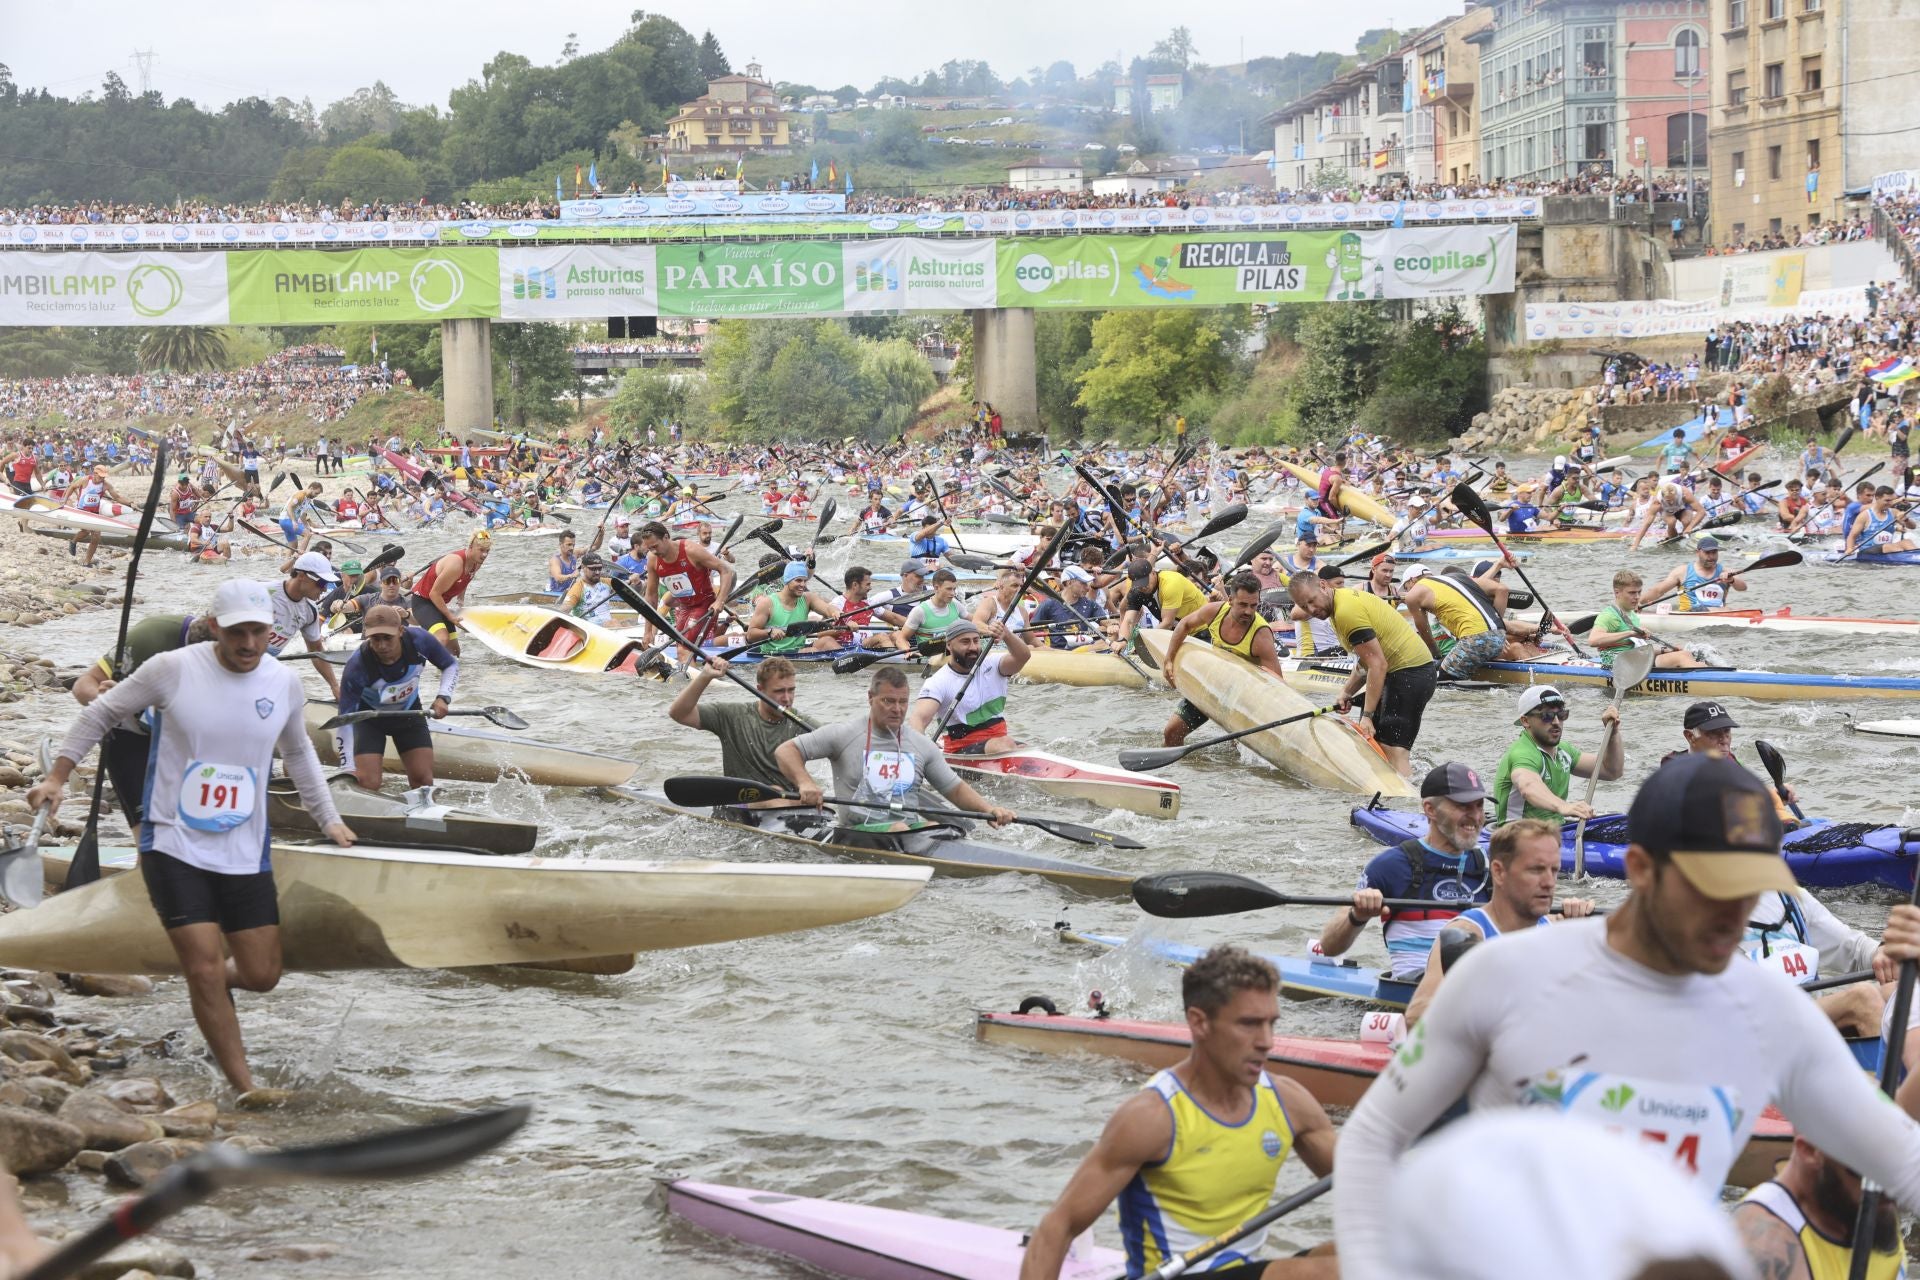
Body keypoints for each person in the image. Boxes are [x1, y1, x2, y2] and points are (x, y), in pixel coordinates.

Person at [1331, 754, 1920, 1280]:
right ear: (1640, 869)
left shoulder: (1773, 1015)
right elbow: (1373, 1137)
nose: (1732, 917)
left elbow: (1904, 1161)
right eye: (1711, 890)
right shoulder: (1504, 975)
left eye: (1750, 891)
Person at [26, 581, 354, 1096]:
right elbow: (99, 713)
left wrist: (328, 819)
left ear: (273, 631)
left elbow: (298, 755)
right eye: (237, 632)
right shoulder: (172, 668)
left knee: (262, 973)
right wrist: (57, 777)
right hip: (173, 839)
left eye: (259, 632)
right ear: (216, 628)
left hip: (245, 847)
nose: (249, 644)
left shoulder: (283, 683)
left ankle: (206, 990)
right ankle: (244, 1086)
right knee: (203, 966)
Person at [1017, 946, 1337, 1280]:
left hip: (1240, 1269)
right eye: (1249, 1024)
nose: (1267, 1042)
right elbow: (1058, 1227)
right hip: (1171, 1275)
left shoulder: (1289, 1102)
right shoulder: (1152, 1118)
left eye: (1271, 1023)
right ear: (1199, 1022)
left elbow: (1369, 1191)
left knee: (1376, 1248)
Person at [1404, 819, 1596, 1026]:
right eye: (1536, 870)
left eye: (1554, 870)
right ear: (1498, 871)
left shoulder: (1557, 928)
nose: (1549, 882)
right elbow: (1416, 1016)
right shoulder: (1465, 933)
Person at [773, 666, 1014, 831]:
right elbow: (786, 751)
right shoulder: (844, 734)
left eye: (902, 702)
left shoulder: (921, 745)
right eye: (888, 701)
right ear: (871, 698)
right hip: (857, 831)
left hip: (907, 830)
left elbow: (955, 790)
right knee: (902, 828)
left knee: (940, 828)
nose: (897, 709)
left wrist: (990, 809)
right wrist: (805, 782)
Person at [1320, 762, 1494, 979]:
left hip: (1481, 986)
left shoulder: (1494, 867)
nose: (1476, 816)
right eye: (1463, 806)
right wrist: (1358, 915)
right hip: (1414, 988)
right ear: (1430, 809)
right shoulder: (1390, 866)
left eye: (1479, 806)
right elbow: (1329, 947)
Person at [1286, 573, 1436, 776]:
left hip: (1410, 674)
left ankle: (1405, 801)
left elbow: (1377, 665)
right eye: (1304, 607)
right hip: (1401, 674)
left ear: (1323, 585)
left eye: (1312, 601)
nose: (1312, 610)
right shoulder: (1339, 605)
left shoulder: (1346, 611)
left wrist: (1366, 716)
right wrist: (1346, 692)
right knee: (1375, 744)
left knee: (1394, 751)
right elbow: (1365, 663)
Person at [1734, 1136, 1907, 1280]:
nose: (1891, 1187)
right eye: (1867, 1170)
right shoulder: (1765, 1245)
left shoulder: (1873, 1203)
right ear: (1810, 1150)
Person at [336, 605, 458, 789]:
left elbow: (450, 665)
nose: (382, 645)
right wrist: (347, 767)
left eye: (387, 638)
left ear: (401, 631)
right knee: (369, 784)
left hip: (409, 715)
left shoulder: (420, 640)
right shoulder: (357, 665)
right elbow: (344, 719)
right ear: (366, 634)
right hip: (369, 720)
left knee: (423, 781)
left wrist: (443, 697)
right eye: (375, 639)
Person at [1158, 573, 1281, 747]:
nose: (1249, 611)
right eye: (1243, 605)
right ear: (1230, 600)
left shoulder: (1261, 636)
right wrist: (1169, 659)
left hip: (1242, 698)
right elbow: (1184, 625)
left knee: (1236, 752)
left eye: (1254, 605)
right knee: (1171, 733)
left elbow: (1276, 681)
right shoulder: (1214, 611)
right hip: (1212, 685)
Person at [667, 655, 806, 798]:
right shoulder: (732, 715)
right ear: (760, 690)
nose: (787, 698)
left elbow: (830, 738)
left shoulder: (801, 722)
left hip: (790, 802)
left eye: (791, 690)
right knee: (775, 793)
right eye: (779, 691)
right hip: (743, 802)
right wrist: (705, 676)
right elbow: (679, 714)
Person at [1491, 685, 1623, 823]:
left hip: (1557, 831)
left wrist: (1613, 734)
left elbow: (1611, 771)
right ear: (1525, 721)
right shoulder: (1522, 753)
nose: (1556, 722)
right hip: (1518, 835)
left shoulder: (1563, 751)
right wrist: (1565, 807)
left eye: (1561, 715)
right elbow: (1528, 786)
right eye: (1547, 716)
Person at [908, 618, 1030, 754]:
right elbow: (918, 719)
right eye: (965, 642)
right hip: (960, 749)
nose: (973, 647)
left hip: (998, 743)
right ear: (949, 645)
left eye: (976, 641)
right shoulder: (938, 681)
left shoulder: (994, 665)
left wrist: (1006, 634)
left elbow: (1023, 656)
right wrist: (923, 744)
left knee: (1026, 748)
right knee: (1006, 743)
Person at [638, 519, 735, 653]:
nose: (653, 551)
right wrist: (648, 631)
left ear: (666, 537)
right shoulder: (653, 559)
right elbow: (651, 596)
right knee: (681, 649)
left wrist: (720, 601)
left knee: (684, 650)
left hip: (705, 605)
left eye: (655, 546)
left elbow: (726, 570)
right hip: (684, 607)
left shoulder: (691, 550)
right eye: (649, 548)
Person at [1399, 567, 1509, 680]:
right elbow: (1502, 589)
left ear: (1412, 581)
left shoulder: (1412, 596)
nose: (1408, 592)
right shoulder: (1458, 578)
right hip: (1500, 637)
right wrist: (1493, 629)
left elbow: (1426, 634)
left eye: (1407, 588)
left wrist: (1437, 658)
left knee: (1439, 683)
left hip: (1474, 639)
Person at [1587, 570, 1709, 670]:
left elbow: (1636, 649)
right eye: (1632, 593)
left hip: (1634, 661)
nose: (1637, 597)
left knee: (1686, 653)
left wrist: (1666, 650)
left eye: (1639, 592)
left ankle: (1711, 673)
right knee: (1681, 657)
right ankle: (1710, 680)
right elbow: (1593, 640)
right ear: (1617, 592)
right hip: (1618, 666)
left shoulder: (1632, 614)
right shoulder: (1608, 615)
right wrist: (1630, 632)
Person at [267, 552, 344, 699]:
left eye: (327, 584)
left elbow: (316, 652)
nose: (324, 589)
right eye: (321, 583)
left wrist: (335, 686)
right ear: (301, 575)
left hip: (262, 669)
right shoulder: (264, 591)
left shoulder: (310, 612)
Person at [408, 530, 491, 657]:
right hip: (424, 602)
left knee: (454, 652)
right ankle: (414, 661)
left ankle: (444, 672)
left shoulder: (476, 562)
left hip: (439, 605)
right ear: (470, 547)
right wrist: (450, 616)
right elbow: (434, 594)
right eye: (481, 550)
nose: (484, 554)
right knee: (442, 639)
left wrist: (460, 601)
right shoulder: (455, 564)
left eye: (487, 551)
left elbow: (465, 580)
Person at [746, 563, 840, 655]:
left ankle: (846, 662)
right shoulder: (767, 603)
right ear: (787, 581)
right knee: (813, 651)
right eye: (798, 580)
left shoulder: (808, 598)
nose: (803, 585)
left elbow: (827, 608)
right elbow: (750, 635)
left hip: (799, 648)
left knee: (827, 640)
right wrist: (770, 632)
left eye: (805, 581)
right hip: (775, 652)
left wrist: (834, 612)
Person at [1638, 536, 1746, 612]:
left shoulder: (1726, 572)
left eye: (1714, 552)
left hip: (1719, 614)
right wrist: (1638, 604)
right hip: (1691, 613)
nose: (1711, 556)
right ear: (1698, 552)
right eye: (1707, 553)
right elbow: (1658, 591)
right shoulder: (1682, 572)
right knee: (1721, 609)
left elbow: (1743, 588)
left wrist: (1732, 580)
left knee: (1735, 609)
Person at [1115, 558, 1208, 635]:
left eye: (1145, 580)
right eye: (1139, 583)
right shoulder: (1136, 589)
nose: (1143, 586)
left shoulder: (1171, 584)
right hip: (1179, 629)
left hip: (1201, 628)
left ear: (1153, 572)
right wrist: (1122, 640)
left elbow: (1167, 624)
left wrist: (1145, 638)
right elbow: (1128, 621)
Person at [67, 464, 127, 566]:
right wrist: (64, 500)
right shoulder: (85, 480)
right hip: (82, 511)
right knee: (85, 531)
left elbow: (117, 497)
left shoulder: (105, 485)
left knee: (96, 537)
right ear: (94, 474)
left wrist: (130, 503)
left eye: (104, 477)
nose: (102, 478)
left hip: (94, 513)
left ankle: (87, 561)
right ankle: (73, 541)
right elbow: (72, 487)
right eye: (101, 476)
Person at [896, 567, 967, 649]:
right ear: (936, 588)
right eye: (949, 589)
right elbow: (901, 639)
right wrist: (907, 652)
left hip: (952, 657)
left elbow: (975, 621)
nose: (953, 593)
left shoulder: (955, 604)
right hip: (929, 659)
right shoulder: (920, 611)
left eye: (954, 589)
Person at [1629, 481, 1707, 549]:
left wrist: (1690, 527)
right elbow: (1646, 524)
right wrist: (1635, 545)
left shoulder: (1685, 494)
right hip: (1667, 512)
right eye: (1668, 500)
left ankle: (1686, 535)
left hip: (1682, 508)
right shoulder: (1657, 502)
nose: (1671, 503)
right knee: (1671, 522)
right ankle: (1674, 540)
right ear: (1663, 497)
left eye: (1673, 499)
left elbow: (1702, 512)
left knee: (1686, 521)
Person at [1844, 485, 1916, 556]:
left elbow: (1913, 527)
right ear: (1877, 498)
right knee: (1889, 546)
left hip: (1888, 548)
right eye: (1887, 500)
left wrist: (1906, 520)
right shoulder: (1864, 516)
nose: (1890, 503)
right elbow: (1852, 536)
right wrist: (1849, 548)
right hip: (1867, 550)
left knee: (1907, 542)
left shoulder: (1894, 512)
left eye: (1892, 500)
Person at [557, 553, 616, 625]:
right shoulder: (578, 588)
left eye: (599, 568)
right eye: (593, 569)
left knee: (626, 622)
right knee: (614, 622)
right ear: (583, 567)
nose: (597, 572)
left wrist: (632, 579)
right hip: (590, 629)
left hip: (609, 626)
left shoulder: (607, 582)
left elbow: (627, 588)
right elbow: (563, 611)